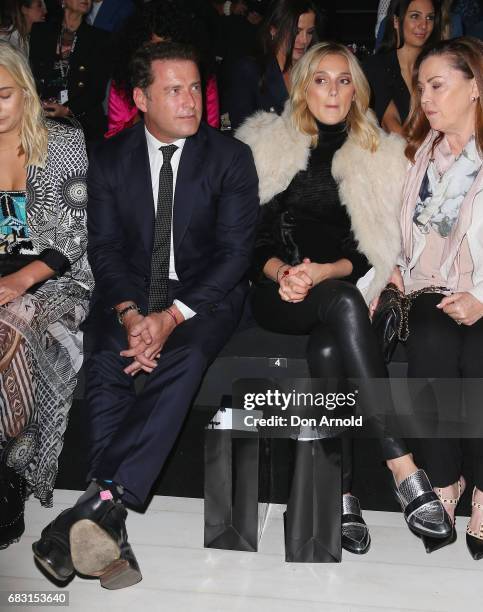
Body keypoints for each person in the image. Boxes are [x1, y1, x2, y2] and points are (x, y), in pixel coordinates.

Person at [32, 41, 259, 588]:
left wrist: (172, 318)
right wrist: (133, 314)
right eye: (173, 90)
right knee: (106, 359)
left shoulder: (230, 157)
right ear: (140, 98)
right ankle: (107, 526)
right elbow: (104, 248)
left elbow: (234, 257)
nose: (190, 102)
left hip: (204, 296)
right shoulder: (109, 158)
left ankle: (89, 506)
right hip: (131, 294)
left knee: (185, 358)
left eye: (194, 89)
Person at [236, 41, 453, 555]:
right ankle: (400, 462)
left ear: (357, 89)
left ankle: (340, 492)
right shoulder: (266, 143)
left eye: (343, 80)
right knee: (340, 306)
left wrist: (323, 272)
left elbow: (367, 251)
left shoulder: (381, 152)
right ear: (302, 84)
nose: (332, 90)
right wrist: (286, 272)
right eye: (320, 78)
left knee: (331, 342)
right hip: (275, 290)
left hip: (340, 288)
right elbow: (250, 240)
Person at [393, 36, 483, 558]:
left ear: (474, 86)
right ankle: (446, 481)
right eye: (420, 87)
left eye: (436, 85)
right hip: (430, 290)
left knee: (478, 355)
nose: (425, 97)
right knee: (428, 339)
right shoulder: (417, 155)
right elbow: (396, 236)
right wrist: (394, 273)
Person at [0, 40, 92, 548]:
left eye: (4, 95)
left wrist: (18, 281)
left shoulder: (60, 143)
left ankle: (9, 472)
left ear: (26, 92)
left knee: (10, 329)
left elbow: (74, 237)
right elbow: (5, 233)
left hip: (57, 278)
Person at [106, 0, 220, 139]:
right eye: (156, 48)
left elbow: (212, 134)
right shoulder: (123, 82)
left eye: (170, 47)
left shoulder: (200, 77)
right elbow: (115, 136)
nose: (163, 55)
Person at [221, 0, 323, 131]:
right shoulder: (249, 70)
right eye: (296, 31)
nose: (304, 40)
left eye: (309, 32)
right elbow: (229, 127)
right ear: (274, 30)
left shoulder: (313, 71)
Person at [29, 0, 110, 142]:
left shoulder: (99, 39)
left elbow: (97, 90)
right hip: (43, 119)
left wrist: (68, 110)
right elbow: (32, 76)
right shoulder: (40, 31)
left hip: (82, 124)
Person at [365, 0, 440, 135]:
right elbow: (389, 123)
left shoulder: (438, 66)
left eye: (430, 18)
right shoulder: (377, 66)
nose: (424, 25)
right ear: (395, 21)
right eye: (415, 16)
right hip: (398, 151)